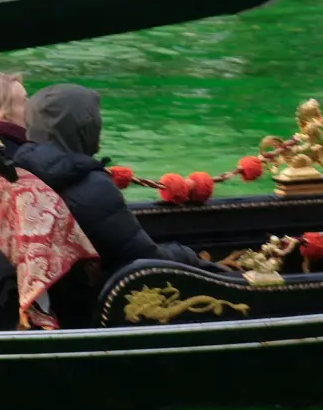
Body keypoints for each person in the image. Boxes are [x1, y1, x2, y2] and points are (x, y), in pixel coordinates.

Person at [12, 85, 213, 276]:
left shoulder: (21, 171)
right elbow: (147, 257)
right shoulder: (91, 187)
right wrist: (187, 254)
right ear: (82, 128)